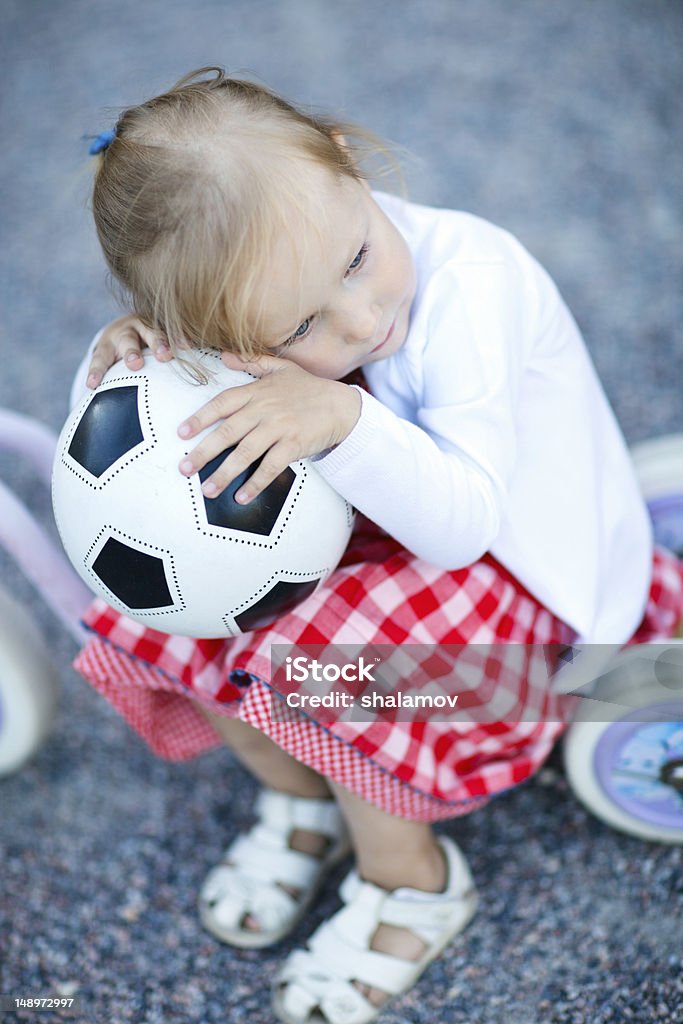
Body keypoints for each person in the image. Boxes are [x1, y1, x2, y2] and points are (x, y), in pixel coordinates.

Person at [75, 67, 683, 1024]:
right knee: (166, 614)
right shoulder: (247, 300)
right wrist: (134, 367)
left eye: (357, 260)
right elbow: (141, 475)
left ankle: (413, 880)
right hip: (378, 537)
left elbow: (464, 522)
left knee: (323, 670)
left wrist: (341, 416)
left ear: (351, 166)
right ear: (219, 335)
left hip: (528, 581)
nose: (360, 322)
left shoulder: (470, 285)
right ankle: (307, 797)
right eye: (300, 327)